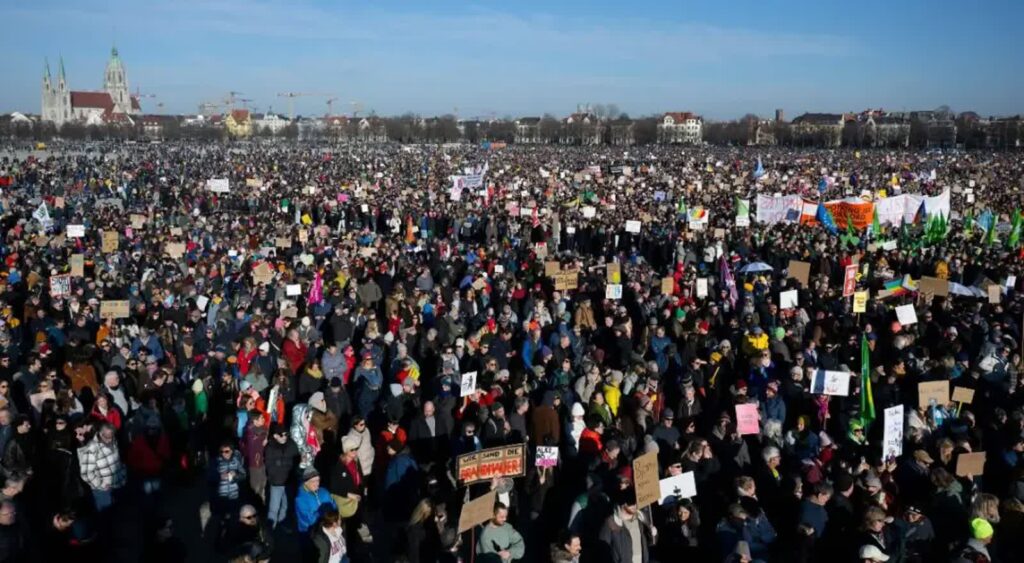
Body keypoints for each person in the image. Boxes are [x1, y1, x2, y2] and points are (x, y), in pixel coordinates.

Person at [77, 422, 126, 513]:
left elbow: (119, 460)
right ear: (100, 434)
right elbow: (86, 474)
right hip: (103, 491)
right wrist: (101, 484)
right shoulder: (91, 448)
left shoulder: (113, 440)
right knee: (106, 517)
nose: (109, 440)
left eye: (111, 436)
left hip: (118, 484)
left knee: (119, 514)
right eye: (107, 437)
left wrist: (123, 473)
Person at [598, 493, 654, 563]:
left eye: (635, 502)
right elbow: (602, 552)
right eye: (630, 503)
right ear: (623, 503)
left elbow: (652, 542)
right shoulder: (611, 523)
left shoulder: (641, 518)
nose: (634, 505)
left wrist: (653, 533)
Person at [264, 422, 298, 528]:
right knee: (274, 507)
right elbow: (270, 467)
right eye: (282, 435)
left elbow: (296, 459)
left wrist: (281, 463)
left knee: (285, 505)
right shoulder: (270, 447)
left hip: (288, 481)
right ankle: (270, 529)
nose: (285, 437)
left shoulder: (291, 444)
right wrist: (284, 465)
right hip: (277, 482)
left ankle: (281, 523)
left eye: (286, 434)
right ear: (275, 436)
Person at [295, 468, 337, 534]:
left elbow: (334, 506)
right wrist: (320, 512)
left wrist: (333, 511)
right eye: (313, 481)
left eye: (318, 480)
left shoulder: (324, 491)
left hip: (326, 528)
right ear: (305, 482)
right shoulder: (300, 499)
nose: (317, 483)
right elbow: (308, 520)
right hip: (309, 532)